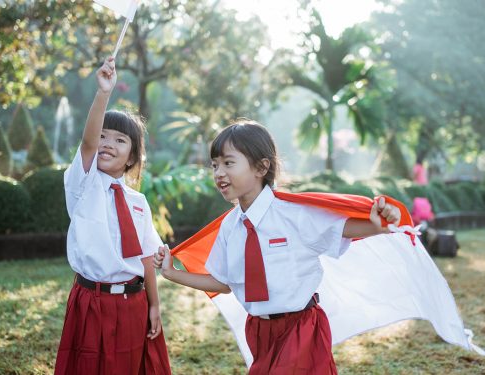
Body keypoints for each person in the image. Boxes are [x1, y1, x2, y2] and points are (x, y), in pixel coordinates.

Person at [154, 119, 403, 374]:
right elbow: (224, 282)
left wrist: (379, 225)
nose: (218, 173)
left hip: (301, 328)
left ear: (262, 167)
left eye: (228, 163)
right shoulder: (230, 227)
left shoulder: (293, 214)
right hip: (259, 330)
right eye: (215, 165)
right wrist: (173, 273)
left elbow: (342, 228)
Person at [55, 56, 171, 375]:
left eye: (120, 140)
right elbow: (88, 143)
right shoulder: (83, 184)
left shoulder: (138, 201)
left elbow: (146, 256)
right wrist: (103, 94)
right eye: (104, 136)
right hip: (91, 300)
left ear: (133, 156)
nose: (108, 144)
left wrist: (155, 305)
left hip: (134, 303)